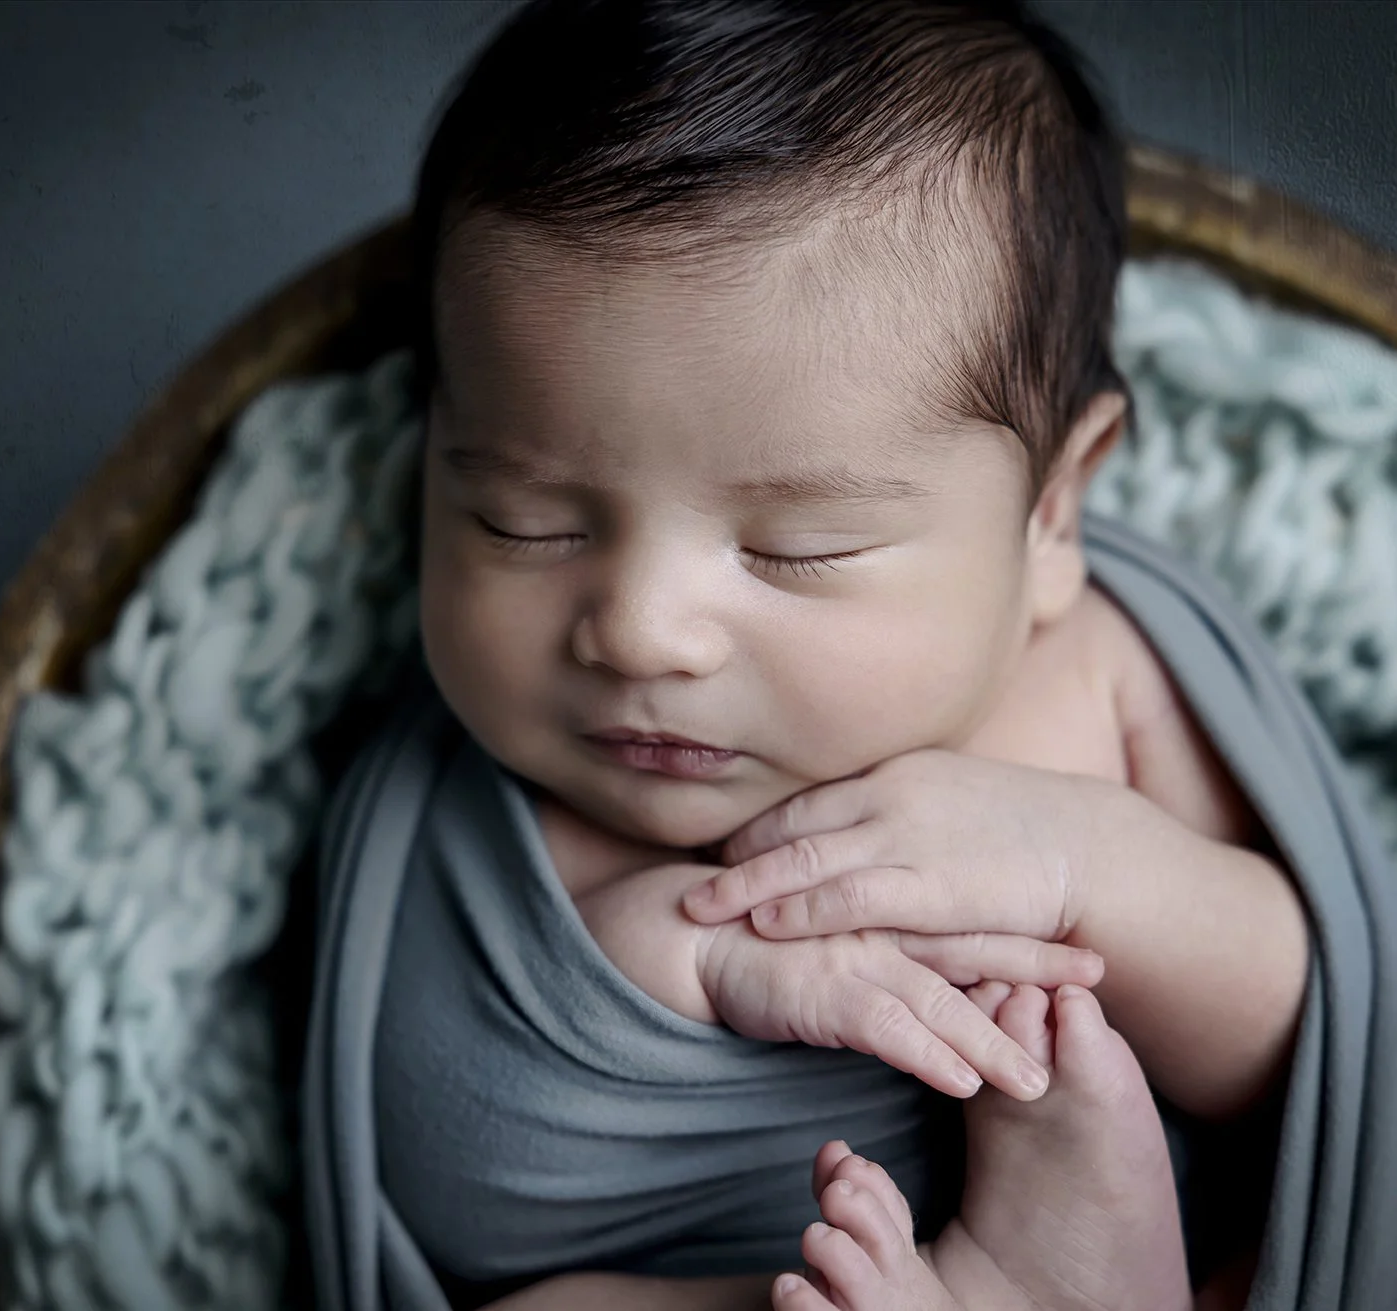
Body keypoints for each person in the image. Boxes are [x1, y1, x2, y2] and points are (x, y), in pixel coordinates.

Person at [315, 2, 1310, 1306]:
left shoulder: (1093, 677)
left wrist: (1081, 866)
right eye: (525, 519)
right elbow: (447, 1157)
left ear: (1051, 508)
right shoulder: (488, 793)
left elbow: (1301, 1042)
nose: (638, 630)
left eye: (799, 546)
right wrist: (679, 957)